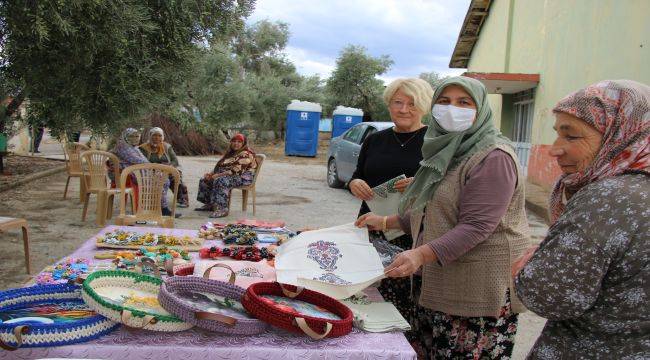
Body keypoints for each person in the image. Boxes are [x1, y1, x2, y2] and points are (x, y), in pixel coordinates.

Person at [356, 76, 531, 359]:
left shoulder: (493, 157)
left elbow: (476, 226)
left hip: (477, 290)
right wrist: (387, 221)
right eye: (444, 101)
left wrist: (420, 255)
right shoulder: (447, 149)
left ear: (481, 108)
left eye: (464, 103)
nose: (452, 109)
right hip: (440, 280)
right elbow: (433, 207)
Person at [513, 80, 649, 358]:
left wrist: (522, 270)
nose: (554, 149)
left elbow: (550, 296)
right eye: (557, 134)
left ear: (621, 134)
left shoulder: (606, 199)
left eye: (571, 136)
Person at [348, 78, 433, 339]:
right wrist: (356, 183)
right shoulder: (375, 139)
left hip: (411, 233)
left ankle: (399, 347)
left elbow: (445, 190)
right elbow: (357, 175)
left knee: (404, 297)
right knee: (368, 292)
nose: (404, 109)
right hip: (371, 227)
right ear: (389, 105)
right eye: (398, 102)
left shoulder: (435, 143)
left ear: (425, 106)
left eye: (412, 103)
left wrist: (420, 185)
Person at [113, 128, 179, 218]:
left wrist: (159, 167)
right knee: (160, 180)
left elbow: (175, 161)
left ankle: (158, 207)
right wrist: (155, 167)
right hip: (130, 174)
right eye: (132, 136)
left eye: (137, 136)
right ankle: (162, 209)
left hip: (140, 171)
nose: (135, 138)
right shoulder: (124, 147)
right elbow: (138, 161)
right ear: (125, 136)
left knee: (165, 180)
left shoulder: (133, 146)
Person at [195, 133, 257, 218]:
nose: (236, 143)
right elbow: (220, 165)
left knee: (221, 180)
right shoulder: (231, 153)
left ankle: (222, 209)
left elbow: (235, 171)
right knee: (205, 180)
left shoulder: (246, 154)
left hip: (242, 177)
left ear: (243, 144)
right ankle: (210, 204)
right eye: (234, 141)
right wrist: (211, 174)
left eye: (239, 142)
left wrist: (217, 175)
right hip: (229, 175)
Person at [139, 127, 190, 208]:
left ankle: (182, 199)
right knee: (159, 178)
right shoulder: (143, 148)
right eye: (154, 135)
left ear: (162, 137)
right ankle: (156, 201)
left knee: (175, 177)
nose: (157, 138)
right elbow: (142, 163)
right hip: (150, 171)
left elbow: (175, 161)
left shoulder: (166, 147)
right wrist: (156, 168)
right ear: (150, 136)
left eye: (159, 136)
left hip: (166, 169)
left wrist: (168, 167)